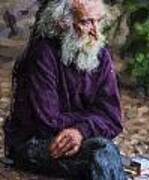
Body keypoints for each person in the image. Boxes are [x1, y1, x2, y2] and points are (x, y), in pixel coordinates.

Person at [4, 0, 127, 179]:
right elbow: (47, 121)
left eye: (98, 21)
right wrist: (91, 120)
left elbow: (112, 119)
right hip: (33, 144)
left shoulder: (100, 54)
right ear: (63, 23)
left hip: (80, 141)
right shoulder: (42, 54)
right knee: (100, 153)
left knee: (101, 153)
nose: (96, 31)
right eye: (86, 22)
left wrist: (81, 131)